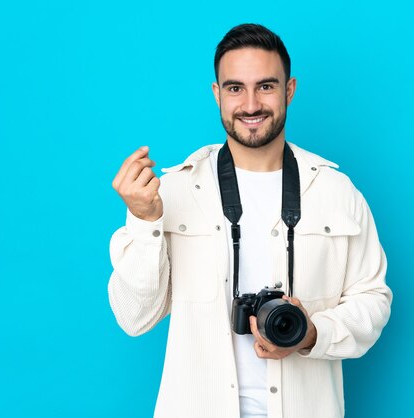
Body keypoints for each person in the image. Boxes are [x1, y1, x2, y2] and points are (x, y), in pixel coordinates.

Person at [108, 23, 393, 418]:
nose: (251, 104)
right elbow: (134, 317)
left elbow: (373, 299)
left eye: (266, 86)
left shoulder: (336, 191)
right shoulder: (168, 193)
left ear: (289, 90)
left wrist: (311, 334)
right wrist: (144, 221)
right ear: (217, 94)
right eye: (235, 88)